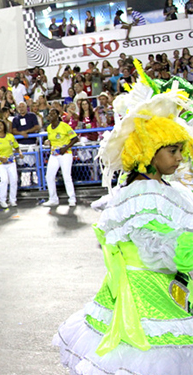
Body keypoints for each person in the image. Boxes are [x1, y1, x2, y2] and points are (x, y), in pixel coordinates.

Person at [54, 71, 193, 373]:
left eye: (181, 150)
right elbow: (160, 250)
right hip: (146, 295)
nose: (180, 157)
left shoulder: (164, 189)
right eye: (172, 151)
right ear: (147, 151)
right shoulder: (142, 193)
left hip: (161, 289)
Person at [43, 108, 78, 207]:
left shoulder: (64, 126)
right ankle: (53, 198)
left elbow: (75, 138)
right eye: (50, 114)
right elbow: (51, 140)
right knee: (49, 176)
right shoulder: (49, 128)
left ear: (58, 115)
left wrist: (65, 148)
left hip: (65, 153)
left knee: (66, 176)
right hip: (54, 154)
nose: (51, 116)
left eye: (53, 114)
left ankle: (72, 198)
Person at [0, 119, 22, 209]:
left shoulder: (10, 136)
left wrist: (20, 152)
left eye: (1, 125)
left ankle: (13, 199)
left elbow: (16, 146)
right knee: (4, 180)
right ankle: (2, 200)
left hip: (11, 162)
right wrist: (0, 159)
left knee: (14, 180)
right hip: (0, 163)